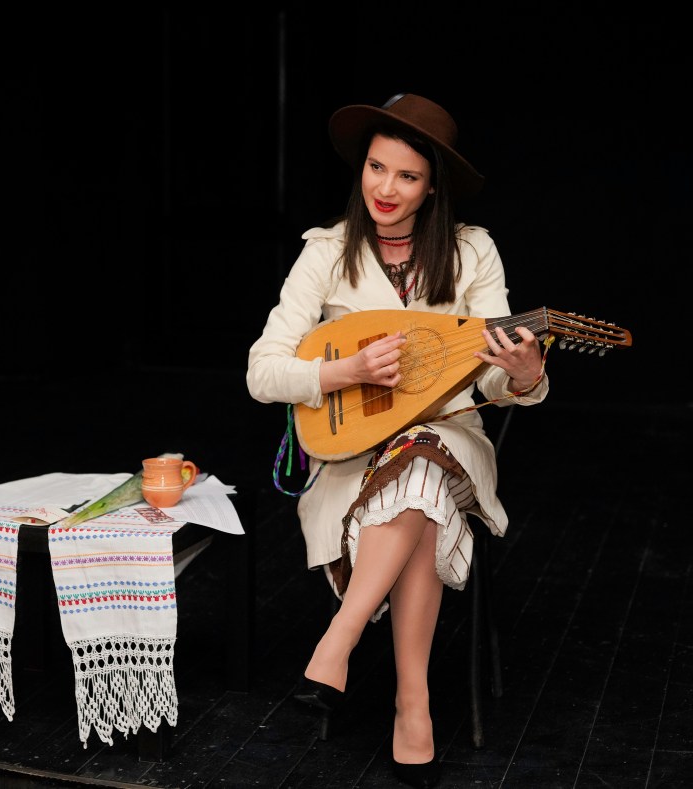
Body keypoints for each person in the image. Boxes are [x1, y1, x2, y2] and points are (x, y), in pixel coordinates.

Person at [245, 93, 549, 788]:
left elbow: (491, 373)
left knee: (423, 455)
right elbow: (262, 372)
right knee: (418, 484)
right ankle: (414, 703)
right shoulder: (327, 253)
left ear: (433, 185)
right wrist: (344, 371)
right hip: (352, 456)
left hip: (452, 440)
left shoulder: (472, 252)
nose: (386, 188)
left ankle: (339, 640)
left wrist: (525, 375)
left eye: (407, 176)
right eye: (376, 167)